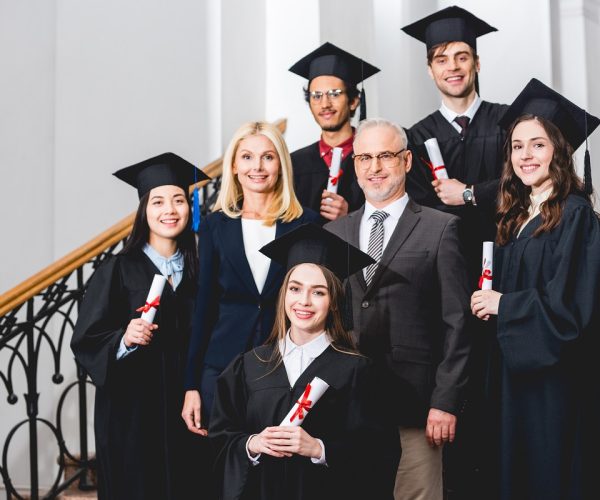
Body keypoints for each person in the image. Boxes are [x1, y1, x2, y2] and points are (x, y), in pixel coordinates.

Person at [326, 118, 470, 500]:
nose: (374, 168)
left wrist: (445, 401)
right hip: (348, 403)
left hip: (417, 405)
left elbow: (457, 323)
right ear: (353, 165)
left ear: (406, 161)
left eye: (386, 156)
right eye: (365, 158)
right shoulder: (334, 234)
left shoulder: (441, 228)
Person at [471, 78, 600, 500]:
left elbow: (574, 308)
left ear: (559, 151)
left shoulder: (576, 216)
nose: (525, 155)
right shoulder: (517, 214)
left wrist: (505, 305)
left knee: (547, 474)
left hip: (554, 384)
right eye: (517, 145)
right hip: (513, 376)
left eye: (538, 145)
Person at [210, 223, 399, 500]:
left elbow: (381, 453)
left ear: (334, 301)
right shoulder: (248, 367)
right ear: (284, 294)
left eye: (319, 292)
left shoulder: (358, 371)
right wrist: (253, 444)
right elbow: (218, 442)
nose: (304, 302)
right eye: (295, 289)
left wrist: (319, 449)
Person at [401, 8, 508, 494]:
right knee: (451, 408)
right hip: (444, 287)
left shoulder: (510, 123)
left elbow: (524, 188)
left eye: (462, 57)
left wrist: (469, 193)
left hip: (507, 277)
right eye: (442, 59)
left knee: (501, 405)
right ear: (430, 70)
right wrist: (489, 194)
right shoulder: (415, 138)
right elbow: (417, 211)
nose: (453, 66)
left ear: (477, 64)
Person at [70, 153, 209, 500]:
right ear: (144, 210)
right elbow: (86, 339)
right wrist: (123, 338)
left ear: (189, 208)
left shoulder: (201, 272)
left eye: (178, 200)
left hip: (187, 408)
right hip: (132, 414)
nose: (170, 210)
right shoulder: (118, 270)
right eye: (158, 201)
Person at [182, 122, 319, 435]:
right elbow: (204, 308)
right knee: (224, 471)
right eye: (247, 157)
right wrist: (191, 384)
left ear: (281, 164)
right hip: (222, 367)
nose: (257, 167)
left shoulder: (306, 224)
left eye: (267, 157)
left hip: (286, 366)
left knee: (278, 470)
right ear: (233, 165)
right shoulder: (216, 226)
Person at [288, 42, 380, 221]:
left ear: (353, 101)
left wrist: (351, 217)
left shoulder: (375, 157)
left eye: (335, 94)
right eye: (316, 96)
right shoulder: (294, 163)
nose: (325, 104)